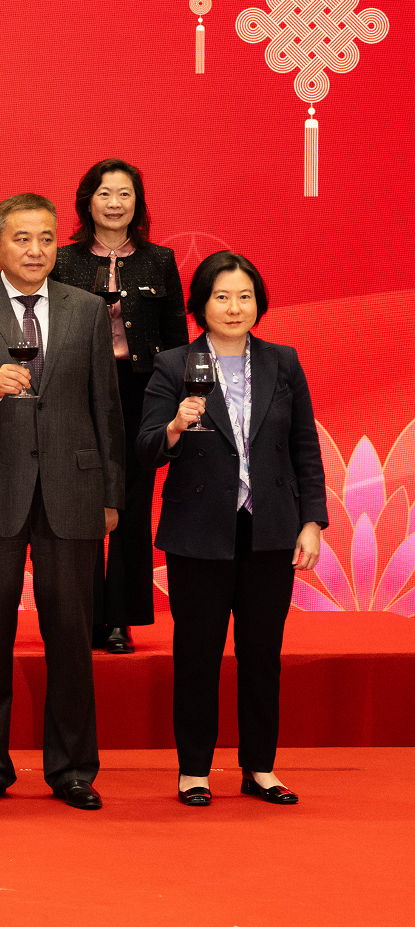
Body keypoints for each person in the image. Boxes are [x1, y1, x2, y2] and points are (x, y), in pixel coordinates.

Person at [0, 194, 123, 810]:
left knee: (71, 636)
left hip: (73, 489)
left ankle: (73, 770)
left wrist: (110, 494)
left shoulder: (86, 309)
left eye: (45, 239)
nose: (35, 250)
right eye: (21, 239)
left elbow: (106, 406)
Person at [140, 252, 326, 807]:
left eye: (245, 296)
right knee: (197, 653)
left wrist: (311, 521)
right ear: (200, 305)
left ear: (259, 303)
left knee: (261, 654)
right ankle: (194, 771)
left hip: (270, 528)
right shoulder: (175, 363)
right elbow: (146, 447)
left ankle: (260, 767)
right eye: (221, 296)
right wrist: (175, 425)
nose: (234, 307)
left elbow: (304, 447)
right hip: (200, 532)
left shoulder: (282, 361)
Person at [51, 159, 188, 654]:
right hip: (77, 389)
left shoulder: (159, 260)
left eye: (125, 194)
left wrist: (177, 397)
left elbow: (176, 338)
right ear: (87, 202)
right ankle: (84, 612)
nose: (114, 204)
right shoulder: (63, 261)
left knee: (131, 502)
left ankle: (120, 618)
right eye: (104, 194)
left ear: (138, 203)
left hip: (141, 390)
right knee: (82, 499)